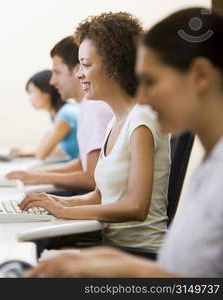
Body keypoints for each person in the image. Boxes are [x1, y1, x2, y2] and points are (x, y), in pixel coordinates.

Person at [27, 7, 223, 277]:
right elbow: (187, 271)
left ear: (201, 76)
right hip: (132, 254)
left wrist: (130, 268)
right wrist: (121, 262)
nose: (141, 96)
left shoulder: (143, 120)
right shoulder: (211, 166)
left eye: (151, 81)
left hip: (137, 251)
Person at [19, 12, 171, 251]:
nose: (79, 74)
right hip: (113, 249)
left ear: (114, 65)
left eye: (86, 65)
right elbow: (100, 195)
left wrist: (62, 210)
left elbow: (136, 207)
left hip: (141, 254)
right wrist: (57, 201)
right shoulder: (115, 121)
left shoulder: (142, 118)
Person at [7, 36, 113, 192]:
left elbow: (91, 179)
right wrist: (33, 174)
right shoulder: (85, 106)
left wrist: (38, 177)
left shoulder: (93, 108)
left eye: (57, 72)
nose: (52, 81)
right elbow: (81, 163)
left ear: (78, 70)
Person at [11, 70, 80, 160]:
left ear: (46, 92)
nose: (30, 99)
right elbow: (58, 150)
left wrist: (46, 137)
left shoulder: (66, 115)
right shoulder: (65, 111)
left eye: (32, 92)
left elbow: (41, 154)